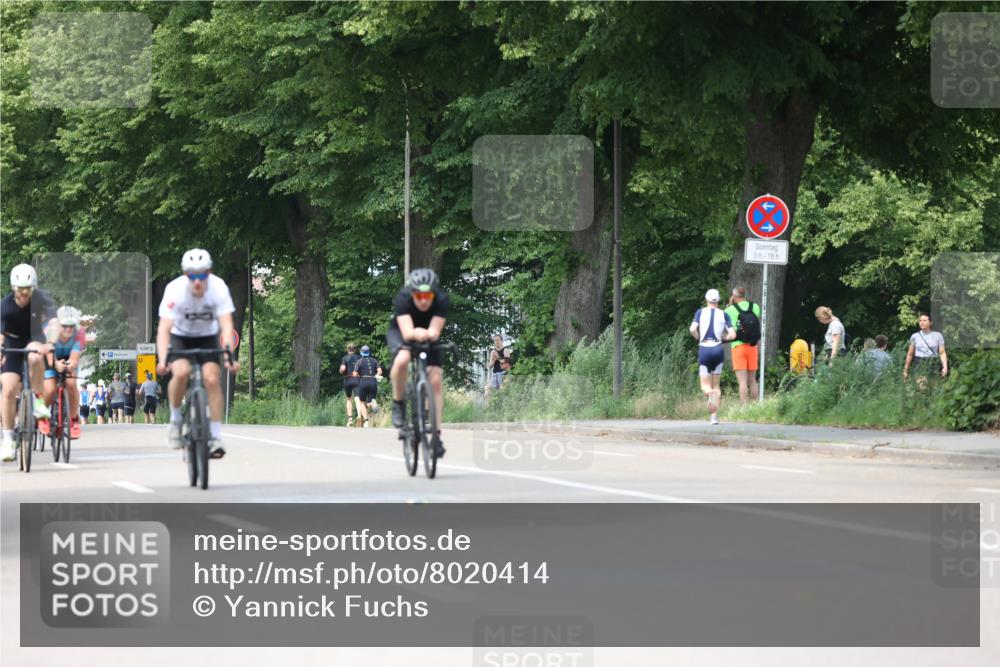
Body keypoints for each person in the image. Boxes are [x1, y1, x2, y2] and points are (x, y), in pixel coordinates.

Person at [156, 249, 239, 458]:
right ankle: (175, 419)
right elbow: (164, 329)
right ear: (186, 275)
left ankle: (215, 436)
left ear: (208, 273)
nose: (197, 281)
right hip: (180, 337)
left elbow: (227, 326)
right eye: (192, 275)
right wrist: (163, 360)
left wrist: (229, 356)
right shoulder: (174, 290)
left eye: (202, 275)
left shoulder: (218, 288)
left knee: (212, 379)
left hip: (206, 336)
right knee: (181, 373)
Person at [387, 268, 449, 458]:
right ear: (412, 293)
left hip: (428, 334)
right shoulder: (403, 298)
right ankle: (398, 403)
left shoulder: (442, 300)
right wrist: (418, 333)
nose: (423, 300)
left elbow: (435, 331)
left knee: (435, 379)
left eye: (427, 295)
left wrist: (429, 334)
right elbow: (407, 333)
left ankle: (436, 437)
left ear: (434, 294)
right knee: (402, 360)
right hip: (402, 332)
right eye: (419, 296)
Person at [0, 264, 55, 461]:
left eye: (28, 290)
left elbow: (54, 323)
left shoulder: (43, 299)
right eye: (20, 290)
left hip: (34, 338)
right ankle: (8, 440)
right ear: (13, 288)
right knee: (8, 389)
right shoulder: (5, 305)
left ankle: (38, 401)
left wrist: (50, 343)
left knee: (35, 355)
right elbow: (0, 334)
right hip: (12, 342)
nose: (24, 295)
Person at [689, 288, 736, 425]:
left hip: (704, 349)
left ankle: (710, 393)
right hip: (718, 349)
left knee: (705, 386)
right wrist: (724, 339)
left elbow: (692, 329)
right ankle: (714, 418)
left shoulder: (700, 312)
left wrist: (698, 337)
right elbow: (733, 335)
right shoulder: (724, 314)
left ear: (706, 300)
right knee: (717, 386)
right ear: (718, 300)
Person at [40, 306, 84, 439]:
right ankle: (42, 416)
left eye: (72, 326)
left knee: (71, 384)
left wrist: (71, 364)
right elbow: (49, 357)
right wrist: (55, 364)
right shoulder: (49, 331)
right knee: (50, 388)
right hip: (51, 357)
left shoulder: (80, 333)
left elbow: (74, 358)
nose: (68, 329)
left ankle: (73, 420)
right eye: (65, 326)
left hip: (68, 357)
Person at [724, 287, 761, 403]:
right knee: (753, 380)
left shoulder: (729, 310)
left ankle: (744, 407)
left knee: (742, 381)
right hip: (752, 346)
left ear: (734, 296)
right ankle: (754, 406)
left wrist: (730, 304)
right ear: (744, 295)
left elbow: (726, 324)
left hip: (738, 346)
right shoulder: (755, 307)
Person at [904, 313, 948, 389]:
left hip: (933, 362)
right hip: (919, 362)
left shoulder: (938, 335)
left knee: (934, 387)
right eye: (920, 320)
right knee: (922, 388)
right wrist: (906, 369)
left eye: (924, 320)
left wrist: (945, 367)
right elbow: (910, 354)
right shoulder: (915, 336)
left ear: (930, 323)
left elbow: (942, 352)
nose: (922, 322)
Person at [353, 345, 383, 428]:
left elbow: (354, 373)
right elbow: (380, 371)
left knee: (362, 402)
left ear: (361, 352)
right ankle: (373, 403)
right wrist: (376, 375)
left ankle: (366, 421)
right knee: (369, 402)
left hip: (363, 381)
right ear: (369, 352)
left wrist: (358, 375)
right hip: (373, 381)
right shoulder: (374, 360)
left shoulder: (359, 361)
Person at [339, 343, 362, 427]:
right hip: (357, 379)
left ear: (347, 349)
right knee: (357, 398)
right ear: (355, 349)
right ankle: (359, 416)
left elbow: (343, 369)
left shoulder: (345, 358)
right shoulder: (359, 357)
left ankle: (350, 419)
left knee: (349, 399)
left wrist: (341, 370)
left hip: (347, 380)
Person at [485, 334, 510, 401]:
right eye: (495, 340)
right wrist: (492, 362)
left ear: (502, 341)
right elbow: (490, 366)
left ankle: (504, 406)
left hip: (503, 374)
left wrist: (497, 356)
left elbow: (506, 364)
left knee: (503, 393)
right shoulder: (493, 351)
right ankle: (490, 406)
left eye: (498, 340)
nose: (496, 342)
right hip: (495, 374)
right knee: (489, 393)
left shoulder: (505, 350)